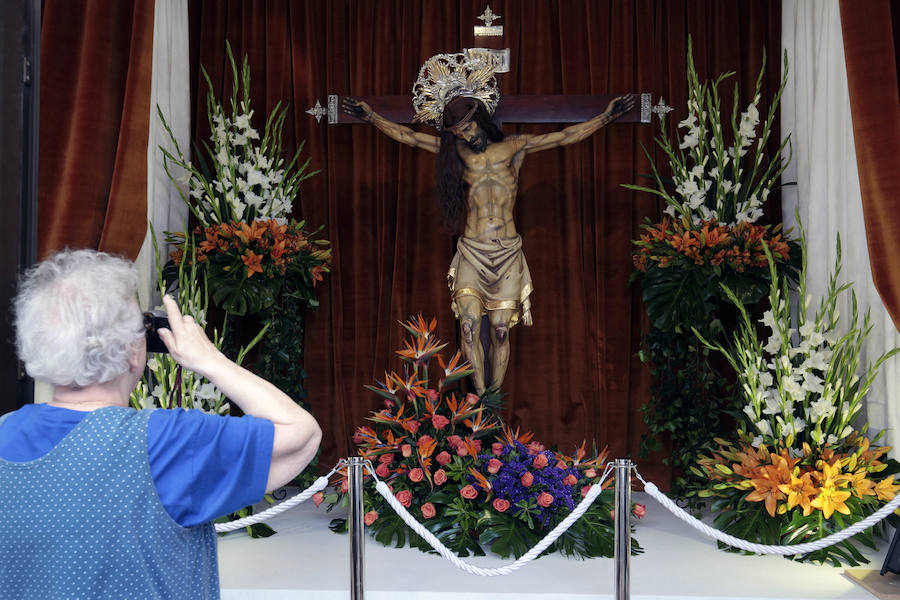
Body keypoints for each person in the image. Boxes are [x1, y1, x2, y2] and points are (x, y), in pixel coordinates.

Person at [0, 249, 322, 598]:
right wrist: (211, 360)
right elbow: (301, 434)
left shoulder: (4, 430)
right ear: (134, 349)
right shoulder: (165, 442)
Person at [343, 54, 633, 393]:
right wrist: (372, 116)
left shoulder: (514, 147)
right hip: (472, 248)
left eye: (467, 127)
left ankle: (493, 397)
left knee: (498, 330)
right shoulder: (457, 155)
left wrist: (606, 117)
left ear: (478, 118)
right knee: (467, 326)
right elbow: (409, 138)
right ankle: (481, 397)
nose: (464, 135)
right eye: (457, 132)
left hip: (507, 251)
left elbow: (564, 137)